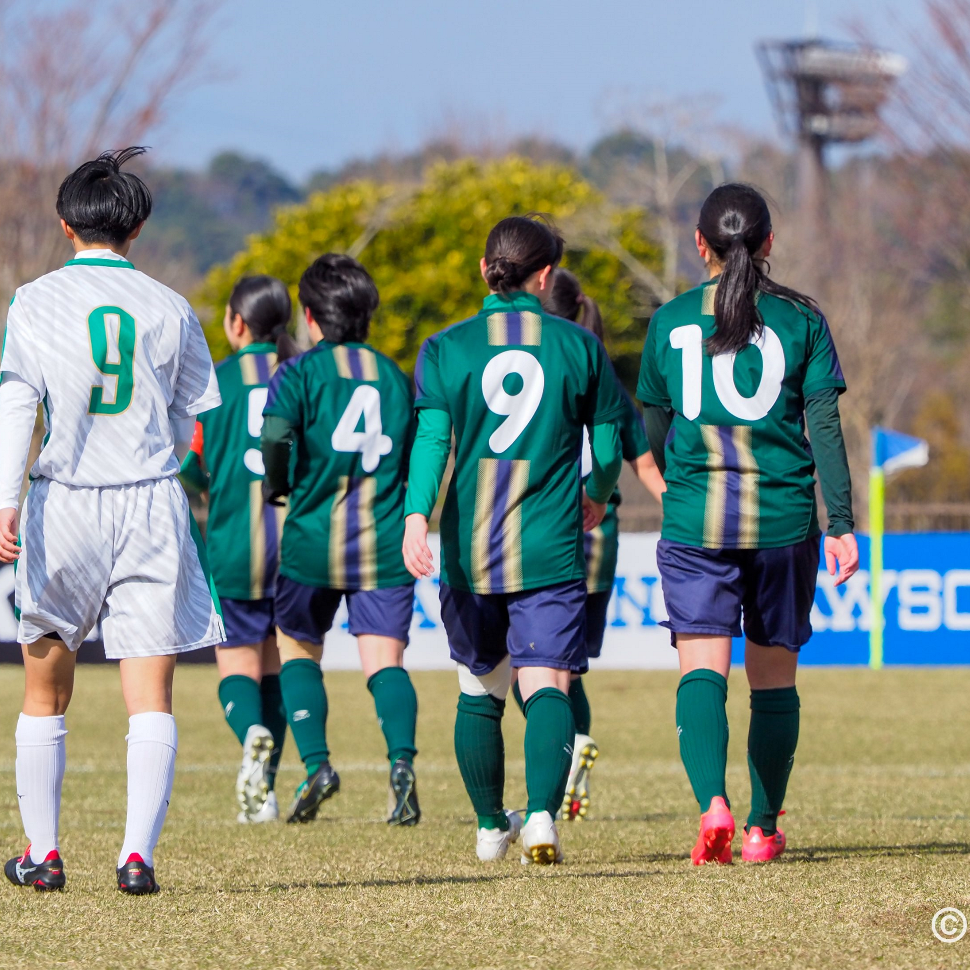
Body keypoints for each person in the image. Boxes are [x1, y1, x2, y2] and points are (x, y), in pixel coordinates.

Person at [0, 148, 223, 894]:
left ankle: (44, 854)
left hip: (65, 503)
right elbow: (196, 416)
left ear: (66, 225)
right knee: (149, 695)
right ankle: (136, 858)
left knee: (43, 692)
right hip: (151, 503)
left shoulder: (34, 300)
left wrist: (5, 502)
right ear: (139, 226)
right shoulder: (170, 306)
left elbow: (17, 406)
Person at [636, 183, 858, 865]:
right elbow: (823, 424)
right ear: (768, 244)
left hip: (695, 521)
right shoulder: (801, 319)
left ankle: (714, 806)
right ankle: (762, 828)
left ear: (698, 244)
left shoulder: (669, 320)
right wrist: (842, 520)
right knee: (773, 680)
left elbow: (651, 425)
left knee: (702, 668)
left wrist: (669, 482)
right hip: (784, 522)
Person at [403, 217, 627, 865]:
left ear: (484, 270)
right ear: (547, 276)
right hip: (550, 544)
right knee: (548, 683)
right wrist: (599, 493)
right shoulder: (578, 346)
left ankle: (484, 827)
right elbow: (609, 446)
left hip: (468, 549)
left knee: (481, 687)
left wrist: (417, 517)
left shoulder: (445, 347)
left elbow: (432, 443)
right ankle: (539, 819)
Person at [260, 254, 420, 826]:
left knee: (298, 647)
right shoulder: (394, 376)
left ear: (310, 316)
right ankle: (401, 766)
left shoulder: (298, 373)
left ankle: (317, 765)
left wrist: (280, 486)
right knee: (385, 662)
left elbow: (275, 438)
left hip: (314, 533)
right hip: (383, 539)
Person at [523, 268, 667, 821]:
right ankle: (576, 743)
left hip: (541, 534)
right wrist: (677, 507)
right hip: (599, 540)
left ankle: (565, 752)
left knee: (532, 668)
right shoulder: (601, 373)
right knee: (568, 665)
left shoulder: (531, 367)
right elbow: (644, 462)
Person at [180, 276, 299, 824]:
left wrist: (209, 485)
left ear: (236, 322)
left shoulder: (215, 383)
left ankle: (249, 735)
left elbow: (189, 466)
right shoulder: (299, 375)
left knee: (236, 664)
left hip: (233, 543)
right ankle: (267, 792)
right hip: (297, 547)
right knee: (276, 666)